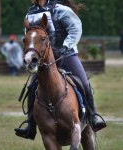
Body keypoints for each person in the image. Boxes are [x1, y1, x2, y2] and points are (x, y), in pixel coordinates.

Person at [14, 0, 106, 140]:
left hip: (67, 54)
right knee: (32, 88)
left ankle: (93, 118)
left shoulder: (60, 9)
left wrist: (66, 45)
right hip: (44, 59)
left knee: (84, 83)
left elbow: (76, 28)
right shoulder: (30, 13)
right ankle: (30, 126)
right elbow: (30, 37)